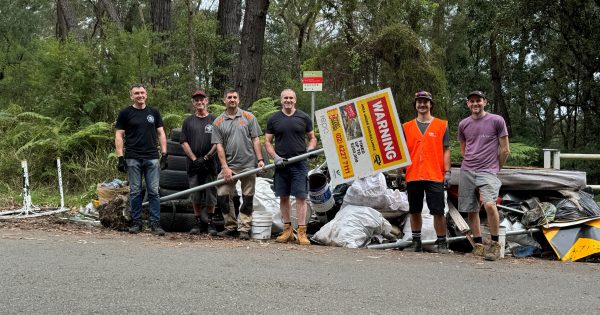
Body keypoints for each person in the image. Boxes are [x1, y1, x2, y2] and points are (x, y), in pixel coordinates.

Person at [458, 90, 510, 261]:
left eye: (478, 100)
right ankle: (478, 245)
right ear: (468, 104)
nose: (475, 104)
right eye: (471, 101)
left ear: (484, 102)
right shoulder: (463, 124)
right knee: (471, 209)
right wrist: (469, 162)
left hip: (488, 170)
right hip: (467, 170)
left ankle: (495, 245)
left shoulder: (496, 120)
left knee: (489, 205)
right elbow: (463, 148)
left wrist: (496, 168)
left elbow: (505, 149)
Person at [264, 89, 318, 245]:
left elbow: (312, 138)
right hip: (282, 164)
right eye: (285, 98)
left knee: (301, 197)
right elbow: (267, 141)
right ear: (281, 100)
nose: (288, 100)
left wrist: (310, 149)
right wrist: (275, 157)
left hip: (299, 164)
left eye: (291, 98)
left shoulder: (304, 117)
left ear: (295, 100)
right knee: (284, 197)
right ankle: (287, 231)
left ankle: (302, 232)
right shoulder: (274, 119)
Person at [400, 91, 451, 253]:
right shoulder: (406, 127)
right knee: (414, 210)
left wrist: (448, 172)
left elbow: (446, 150)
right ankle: (416, 242)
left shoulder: (441, 125)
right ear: (415, 105)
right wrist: (400, 172)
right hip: (413, 174)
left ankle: (442, 243)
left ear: (431, 104)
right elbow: (401, 151)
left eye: (425, 102)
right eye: (419, 102)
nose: (422, 105)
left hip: (434, 174)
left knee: (438, 210)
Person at [212, 89, 265, 240]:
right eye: (229, 97)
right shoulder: (218, 122)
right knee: (222, 194)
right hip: (229, 167)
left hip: (248, 165)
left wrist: (260, 160)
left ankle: (244, 228)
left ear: (239, 100)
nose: (232, 99)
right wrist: (225, 168)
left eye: (235, 97)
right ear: (224, 100)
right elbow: (219, 146)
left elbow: (255, 139)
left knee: (248, 197)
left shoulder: (249, 117)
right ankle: (230, 226)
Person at [115, 83, 167, 236]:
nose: (140, 95)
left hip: (152, 158)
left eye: (142, 93)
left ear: (146, 94)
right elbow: (119, 135)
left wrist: (165, 154)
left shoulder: (154, 112)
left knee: (154, 192)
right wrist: (120, 157)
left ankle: (155, 223)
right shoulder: (125, 113)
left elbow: (161, 133)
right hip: (133, 158)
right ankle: (136, 222)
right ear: (132, 96)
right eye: (136, 93)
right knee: (135, 192)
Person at [180, 90, 219, 236]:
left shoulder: (215, 120)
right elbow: (183, 142)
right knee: (195, 194)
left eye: (201, 99)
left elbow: (218, 142)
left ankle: (210, 222)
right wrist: (195, 159)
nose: (199, 102)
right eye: (196, 100)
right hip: (193, 165)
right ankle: (197, 222)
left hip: (210, 164)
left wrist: (207, 157)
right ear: (193, 103)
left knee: (211, 194)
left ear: (206, 101)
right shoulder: (188, 121)